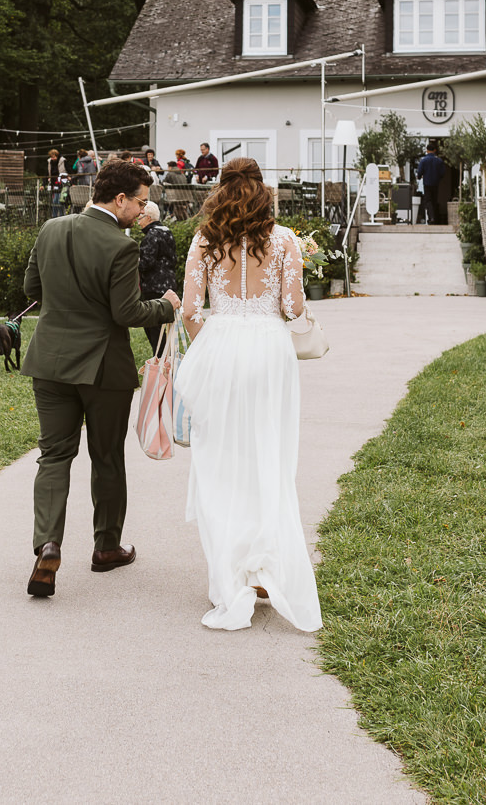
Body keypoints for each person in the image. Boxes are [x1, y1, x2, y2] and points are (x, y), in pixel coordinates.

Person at [20, 160, 180, 597]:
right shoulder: (121, 245)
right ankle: (106, 549)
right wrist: (166, 305)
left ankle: (48, 545)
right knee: (106, 455)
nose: (144, 212)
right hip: (102, 368)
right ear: (121, 198)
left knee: (53, 455)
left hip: (50, 363)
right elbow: (126, 313)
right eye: (142, 203)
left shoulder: (51, 229)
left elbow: (32, 290)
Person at [176, 158, 322, 633]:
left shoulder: (205, 239)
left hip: (220, 347)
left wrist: (211, 350)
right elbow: (294, 307)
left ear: (220, 190)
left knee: (221, 465)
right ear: (263, 191)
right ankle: (263, 570)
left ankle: (230, 576)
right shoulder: (284, 241)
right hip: (267, 349)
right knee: (268, 459)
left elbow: (190, 310)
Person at [135, 200, 176, 354]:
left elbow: (146, 263)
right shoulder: (167, 232)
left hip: (154, 287)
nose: (138, 222)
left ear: (149, 218)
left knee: (154, 330)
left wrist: (135, 262)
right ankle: (168, 358)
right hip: (169, 285)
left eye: (140, 218)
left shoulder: (151, 235)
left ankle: (159, 362)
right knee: (167, 329)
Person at [415, 140, 447, 223]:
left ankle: (431, 217)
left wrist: (419, 177)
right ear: (435, 150)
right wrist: (438, 178)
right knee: (434, 200)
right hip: (436, 183)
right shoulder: (439, 161)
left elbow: (420, 172)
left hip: (427, 183)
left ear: (427, 150)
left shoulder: (424, 160)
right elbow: (443, 172)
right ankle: (435, 218)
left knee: (428, 200)